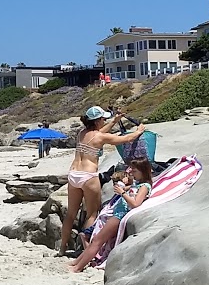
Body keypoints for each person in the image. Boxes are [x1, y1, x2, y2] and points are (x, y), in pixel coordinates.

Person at [60, 106, 146, 258]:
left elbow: (99, 133)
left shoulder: (82, 133)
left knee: (71, 214)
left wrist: (114, 121)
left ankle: (62, 249)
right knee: (92, 214)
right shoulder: (100, 137)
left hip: (73, 174)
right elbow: (126, 139)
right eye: (103, 119)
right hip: (88, 176)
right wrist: (138, 131)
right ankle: (87, 250)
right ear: (98, 120)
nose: (104, 120)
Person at [70, 157, 154, 272]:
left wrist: (122, 193)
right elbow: (128, 187)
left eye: (135, 171)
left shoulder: (144, 186)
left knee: (97, 241)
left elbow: (135, 203)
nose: (132, 173)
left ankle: (77, 268)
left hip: (119, 216)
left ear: (142, 171)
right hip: (116, 213)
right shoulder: (138, 184)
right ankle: (76, 263)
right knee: (95, 240)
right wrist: (123, 185)